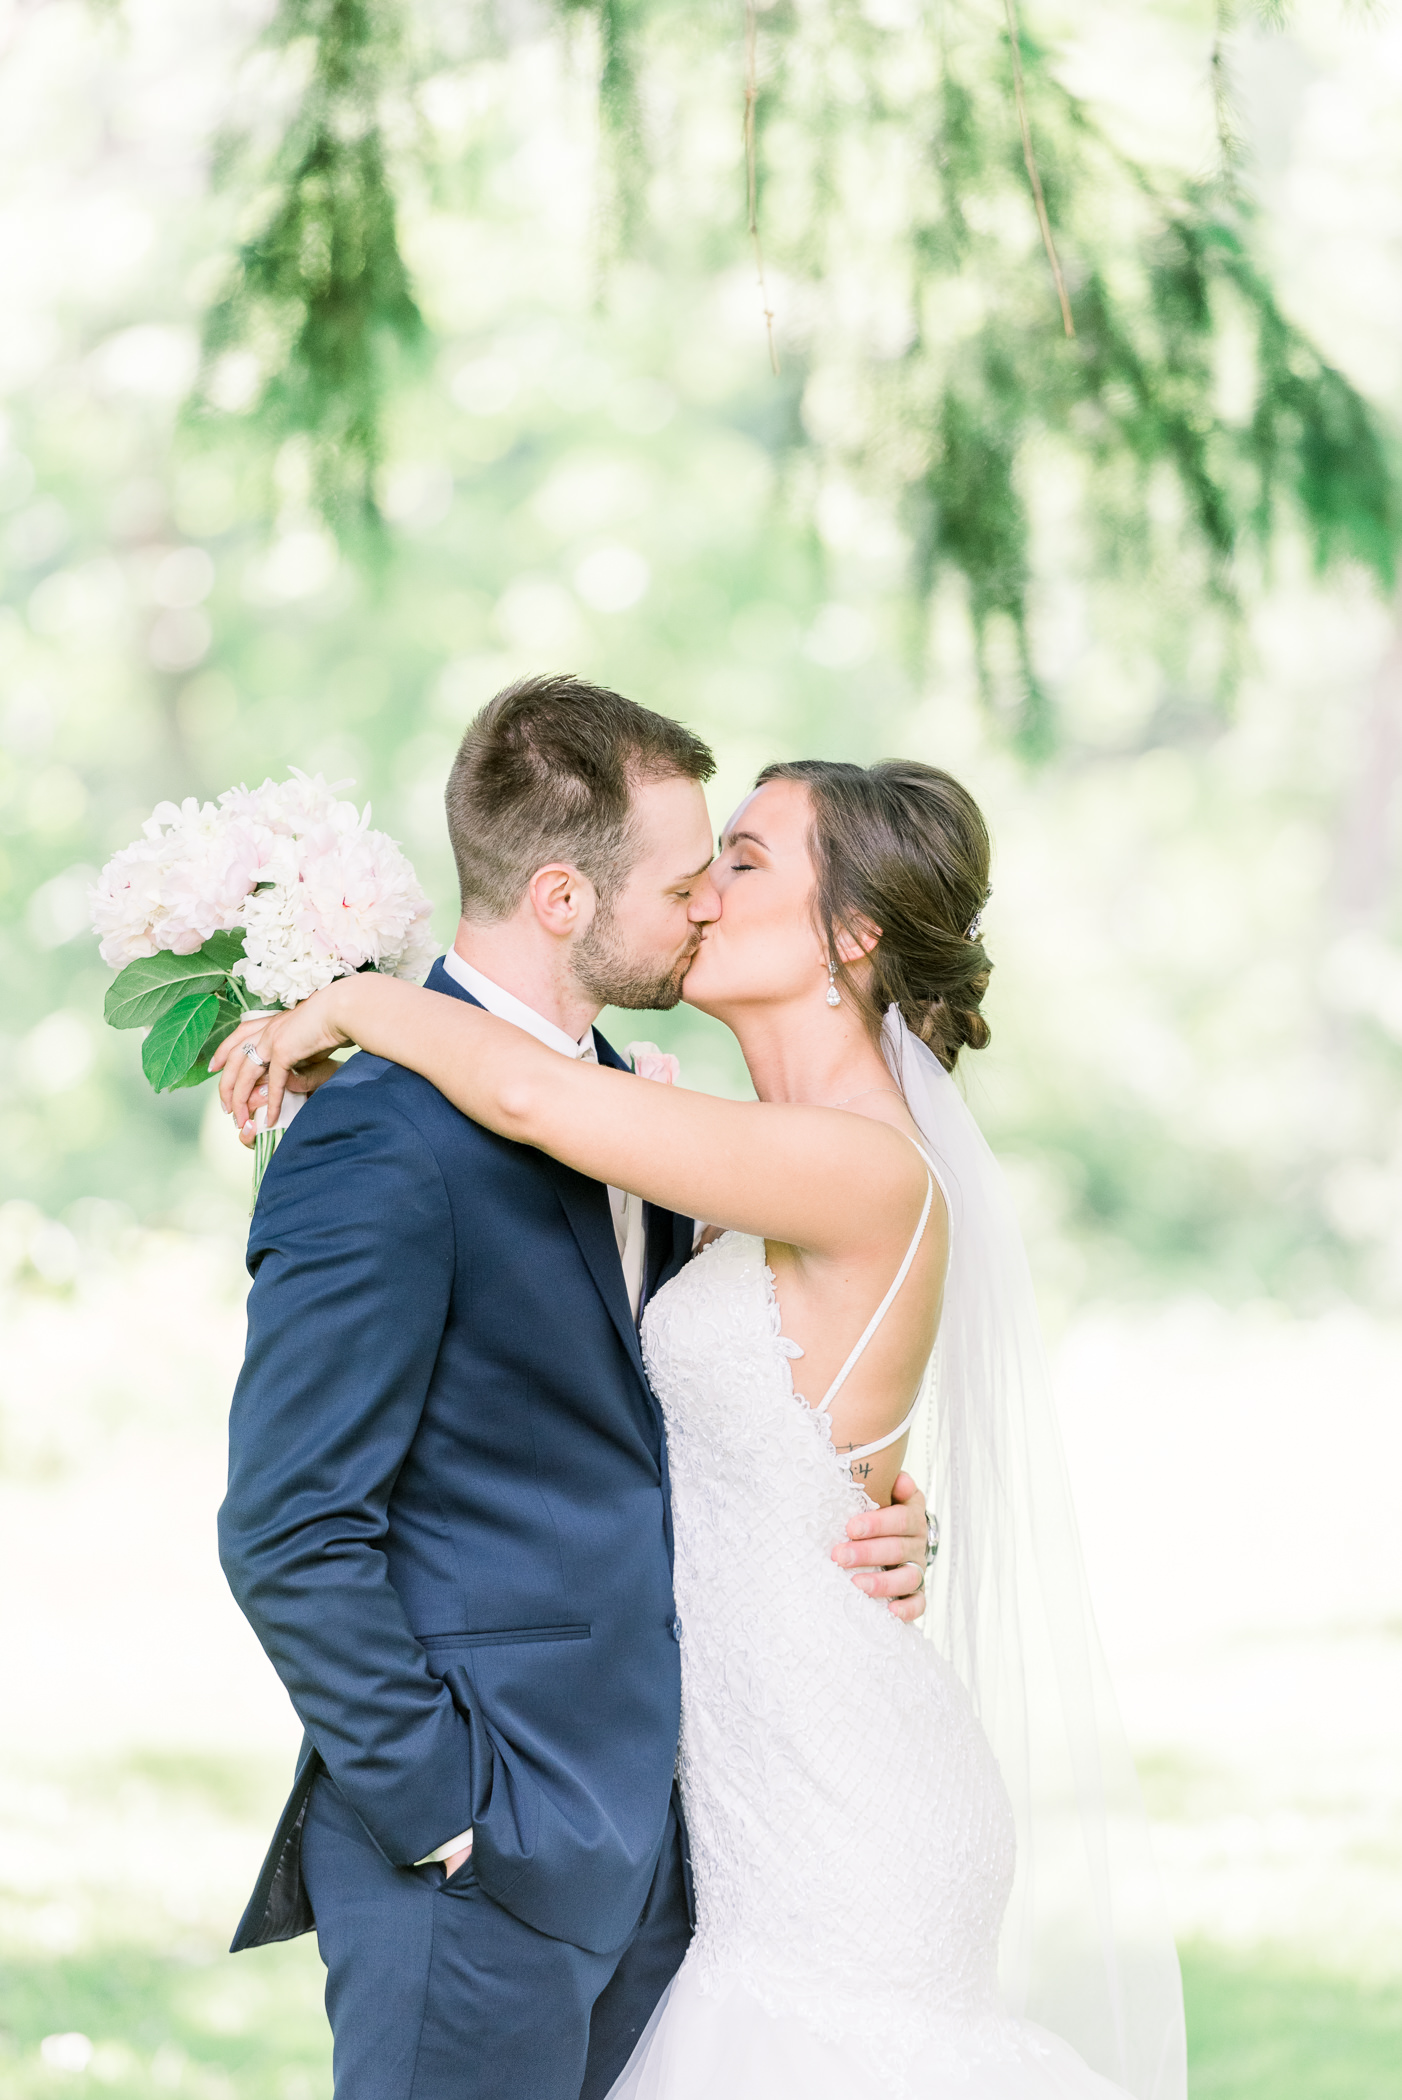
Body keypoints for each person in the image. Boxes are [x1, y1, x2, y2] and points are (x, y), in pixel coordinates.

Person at [218, 745, 1189, 2100]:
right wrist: (879, 1504)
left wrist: (356, 1000)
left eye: (741, 863)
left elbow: (527, 1094)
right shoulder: (713, 1146)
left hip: (834, 1792)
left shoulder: (850, 1159)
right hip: (706, 1791)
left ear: (851, 934)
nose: (700, 891)